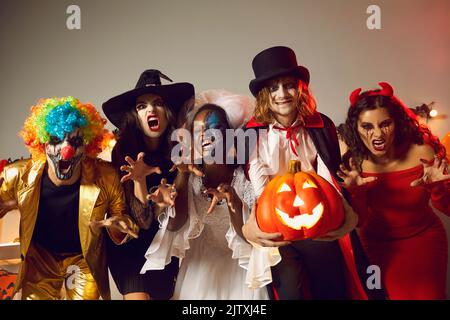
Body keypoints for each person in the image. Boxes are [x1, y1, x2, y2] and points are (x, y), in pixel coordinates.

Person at [242, 46, 374, 299]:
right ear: (263, 95)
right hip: (274, 225)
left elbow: (328, 176)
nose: (282, 94)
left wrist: (346, 213)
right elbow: (254, 183)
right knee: (290, 289)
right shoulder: (250, 133)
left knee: (332, 284)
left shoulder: (320, 125)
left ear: (300, 88)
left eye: (289, 85)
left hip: (316, 220)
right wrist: (254, 223)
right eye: (273, 88)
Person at [0, 96, 139, 300]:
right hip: (41, 259)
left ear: (87, 146)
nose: (66, 150)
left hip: (82, 259)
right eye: (56, 140)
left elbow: (122, 217)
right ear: (43, 145)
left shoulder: (106, 176)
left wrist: (119, 224)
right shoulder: (18, 176)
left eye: (76, 142)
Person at [140, 90, 274, 299]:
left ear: (229, 135)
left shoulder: (243, 177)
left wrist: (233, 203)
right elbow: (176, 225)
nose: (205, 136)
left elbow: (248, 240)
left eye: (214, 128)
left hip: (240, 269)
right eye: (198, 131)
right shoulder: (192, 178)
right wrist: (182, 176)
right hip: (200, 270)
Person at [337, 82, 449, 299]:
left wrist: (437, 188)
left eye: (385, 124)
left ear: (396, 123)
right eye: (367, 126)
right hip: (377, 247)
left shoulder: (421, 151)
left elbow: (447, 207)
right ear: (356, 129)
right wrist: (356, 192)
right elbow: (358, 221)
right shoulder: (355, 163)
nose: (377, 134)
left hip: (424, 241)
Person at [102, 69, 194, 300]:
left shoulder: (179, 150)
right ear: (135, 115)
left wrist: (168, 198)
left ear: (168, 111)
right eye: (142, 106)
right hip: (130, 245)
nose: (151, 110)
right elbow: (140, 221)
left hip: (163, 243)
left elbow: (180, 218)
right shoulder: (123, 151)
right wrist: (140, 181)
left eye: (158, 103)